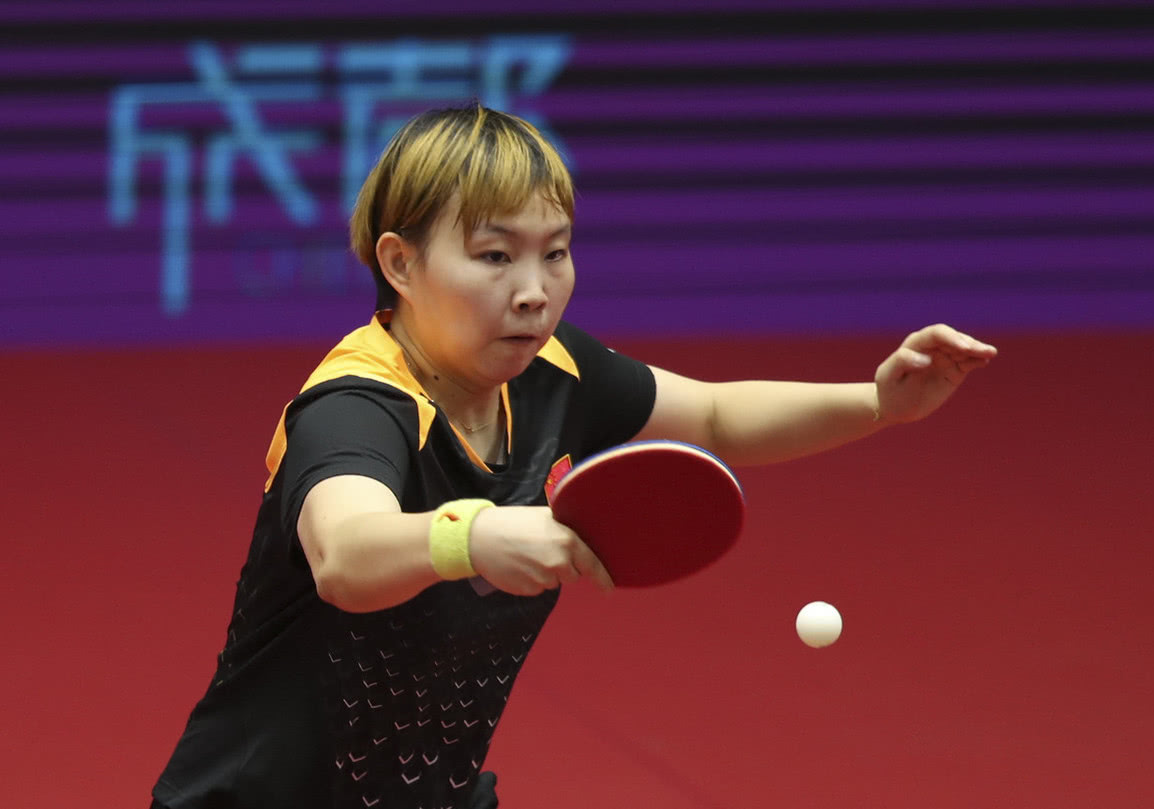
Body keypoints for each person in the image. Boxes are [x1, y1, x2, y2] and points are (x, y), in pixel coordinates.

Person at [150, 103, 997, 809]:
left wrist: (879, 402)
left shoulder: (550, 372)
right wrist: (474, 535)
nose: (534, 290)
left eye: (554, 252)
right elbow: (345, 553)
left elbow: (715, 414)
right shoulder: (357, 404)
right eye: (494, 256)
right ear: (400, 263)